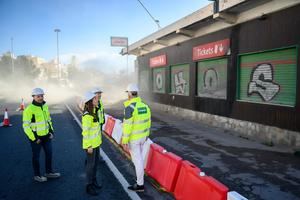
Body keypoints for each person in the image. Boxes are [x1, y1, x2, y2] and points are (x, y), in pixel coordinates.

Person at [22, 88, 60, 182]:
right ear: (33, 97)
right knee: (36, 157)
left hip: (46, 136)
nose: (40, 98)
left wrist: (51, 131)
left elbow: (48, 120)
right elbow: (26, 126)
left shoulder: (45, 106)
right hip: (37, 138)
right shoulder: (29, 109)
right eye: (38, 96)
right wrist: (34, 138)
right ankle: (37, 175)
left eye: (42, 96)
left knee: (49, 154)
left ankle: (49, 172)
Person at [122, 83, 151, 192]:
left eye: (127, 93)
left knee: (137, 161)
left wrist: (124, 140)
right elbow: (148, 121)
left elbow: (127, 126)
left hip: (134, 139)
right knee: (140, 160)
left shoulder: (130, 107)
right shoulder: (144, 105)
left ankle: (140, 185)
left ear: (129, 93)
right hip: (143, 137)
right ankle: (140, 178)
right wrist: (147, 135)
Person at [82, 91, 102, 196]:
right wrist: (88, 146)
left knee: (95, 164)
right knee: (90, 166)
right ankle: (88, 186)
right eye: (95, 98)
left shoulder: (95, 111)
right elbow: (85, 132)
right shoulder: (87, 115)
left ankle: (94, 181)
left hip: (96, 143)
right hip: (90, 145)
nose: (97, 99)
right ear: (90, 101)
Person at [92, 88, 105, 163]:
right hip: (94, 127)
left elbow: (101, 113)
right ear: (94, 94)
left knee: (98, 142)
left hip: (99, 125)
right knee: (93, 142)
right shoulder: (92, 104)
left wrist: (102, 121)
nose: (100, 95)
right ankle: (91, 159)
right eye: (98, 93)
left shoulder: (100, 102)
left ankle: (97, 158)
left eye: (100, 93)